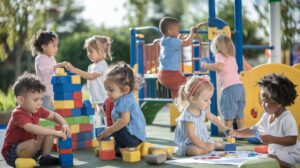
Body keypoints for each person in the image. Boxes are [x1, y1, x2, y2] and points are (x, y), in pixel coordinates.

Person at [1, 73, 71, 167]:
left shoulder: (37, 109)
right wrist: (56, 133)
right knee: (34, 142)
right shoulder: (18, 113)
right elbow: (32, 128)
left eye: (41, 99)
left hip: (31, 147)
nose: (39, 103)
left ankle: (44, 157)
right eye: (35, 100)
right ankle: (24, 162)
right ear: (21, 100)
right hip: (12, 153)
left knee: (49, 129)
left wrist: (64, 124)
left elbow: (54, 116)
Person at [233, 73, 300, 167]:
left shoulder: (286, 118)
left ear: (278, 101)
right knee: (267, 158)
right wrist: (235, 133)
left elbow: (292, 140)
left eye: (265, 101)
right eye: (262, 100)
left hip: (291, 154)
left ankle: (290, 167)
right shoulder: (266, 116)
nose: (263, 104)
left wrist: (272, 139)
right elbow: (254, 130)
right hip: (277, 153)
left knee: (270, 158)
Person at [174, 75, 232, 156]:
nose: (209, 102)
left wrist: (225, 129)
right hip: (189, 143)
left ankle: (211, 145)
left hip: (202, 140)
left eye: (210, 99)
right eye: (206, 100)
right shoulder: (188, 116)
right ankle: (208, 147)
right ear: (193, 99)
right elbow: (191, 135)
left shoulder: (202, 109)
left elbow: (214, 118)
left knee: (221, 145)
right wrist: (205, 146)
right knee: (195, 151)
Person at [97, 62, 146, 156]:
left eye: (111, 90)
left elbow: (124, 120)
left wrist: (109, 130)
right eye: (106, 89)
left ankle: (130, 147)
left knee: (115, 128)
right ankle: (121, 147)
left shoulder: (124, 100)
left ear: (126, 89)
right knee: (114, 133)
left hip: (134, 137)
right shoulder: (122, 98)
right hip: (133, 136)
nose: (107, 93)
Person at [201, 34, 245, 129]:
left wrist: (206, 66)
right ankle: (243, 134)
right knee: (239, 116)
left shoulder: (219, 55)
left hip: (229, 88)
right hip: (240, 87)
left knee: (228, 116)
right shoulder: (231, 57)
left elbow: (219, 67)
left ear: (217, 47)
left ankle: (229, 136)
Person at [66, 35, 112, 126]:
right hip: (97, 99)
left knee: (106, 117)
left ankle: (110, 133)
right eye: (87, 51)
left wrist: (75, 70)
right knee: (101, 117)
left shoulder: (102, 65)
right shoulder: (91, 66)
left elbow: (91, 77)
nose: (88, 54)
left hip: (103, 98)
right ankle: (104, 133)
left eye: (91, 51)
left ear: (102, 51)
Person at [157, 16, 196, 100]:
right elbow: (187, 42)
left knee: (178, 92)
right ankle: (189, 104)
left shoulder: (164, 40)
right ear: (169, 31)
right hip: (170, 74)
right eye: (177, 30)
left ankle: (179, 106)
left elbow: (174, 45)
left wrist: (178, 38)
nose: (178, 32)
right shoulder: (172, 41)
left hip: (162, 74)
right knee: (189, 83)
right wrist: (192, 32)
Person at [31, 30, 68, 111]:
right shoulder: (40, 58)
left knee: (55, 112)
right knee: (47, 113)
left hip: (53, 92)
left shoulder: (51, 58)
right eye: (54, 46)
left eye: (57, 46)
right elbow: (45, 71)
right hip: (45, 93)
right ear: (44, 46)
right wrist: (57, 66)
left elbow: (54, 72)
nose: (56, 48)